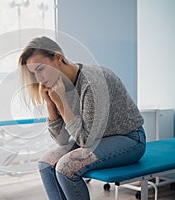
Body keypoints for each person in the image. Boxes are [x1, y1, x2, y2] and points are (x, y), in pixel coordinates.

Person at [18, 36, 146, 200]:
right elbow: (62, 140)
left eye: (40, 68)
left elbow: (86, 140)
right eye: (34, 73)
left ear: (58, 58)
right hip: (97, 140)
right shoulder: (60, 85)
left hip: (130, 139)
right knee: (46, 164)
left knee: (66, 167)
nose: (39, 78)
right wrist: (50, 104)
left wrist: (62, 102)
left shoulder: (92, 84)